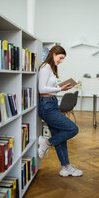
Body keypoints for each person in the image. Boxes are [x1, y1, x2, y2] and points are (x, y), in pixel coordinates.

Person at [38, 45, 83, 177]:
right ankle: (46, 142)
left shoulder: (51, 68)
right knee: (73, 129)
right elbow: (41, 89)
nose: (61, 60)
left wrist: (60, 87)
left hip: (51, 103)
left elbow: (48, 87)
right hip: (46, 106)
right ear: (54, 54)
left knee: (61, 137)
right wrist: (60, 89)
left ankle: (66, 167)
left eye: (63, 59)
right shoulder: (45, 67)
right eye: (60, 57)